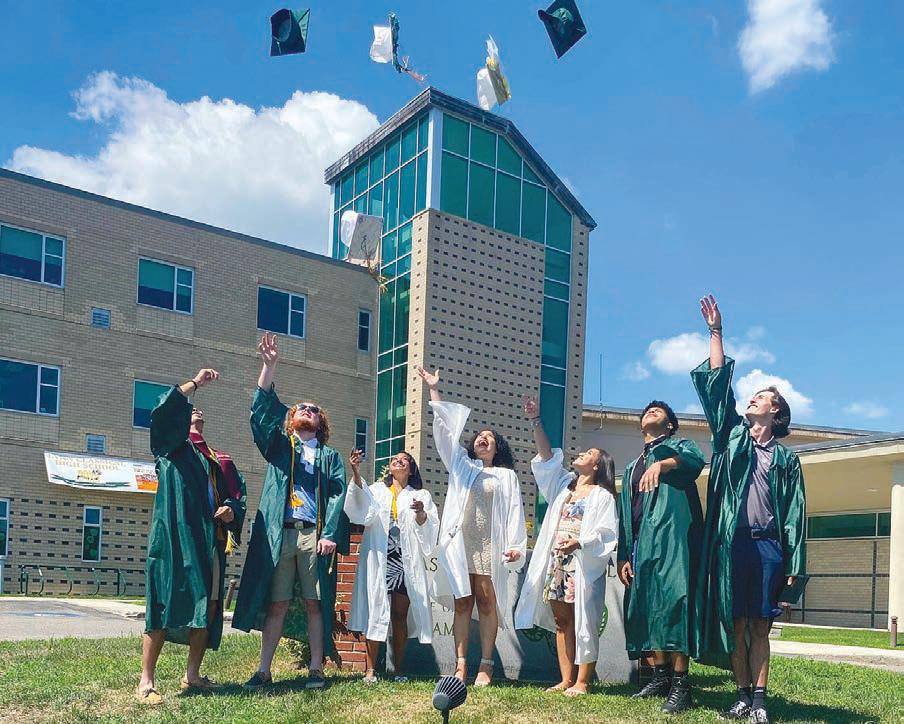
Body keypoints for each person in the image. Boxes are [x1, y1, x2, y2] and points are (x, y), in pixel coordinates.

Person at [692, 295, 806, 724]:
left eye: (761, 397)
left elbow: (796, 513)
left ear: (775, 411)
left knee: (760, 627)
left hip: (769, 546)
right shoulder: (731, 439)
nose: (752, 400)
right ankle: (741, 697)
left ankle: (759, 701)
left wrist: (794, 563)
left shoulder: (787, 459)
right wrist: (716, 332)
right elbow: (719, 385)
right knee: (736, 625)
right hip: (732, 545)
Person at [233, 333, 350, 690]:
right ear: (292, 419)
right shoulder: (281, 448)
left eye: (313, 409)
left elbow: (336, 495)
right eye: (301, 407)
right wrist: (269, 367)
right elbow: (261, 413)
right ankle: (264, 669)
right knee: (277, 603)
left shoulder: (329, 456)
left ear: (321, 422)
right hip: (280, 532)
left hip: (312, 534)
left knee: (315, 602)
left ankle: (316, 667)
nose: (306, 410)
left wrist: (329, 533)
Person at [139, 369, 247, 704]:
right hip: (174, 539)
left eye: (198, 409)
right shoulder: (171, 447)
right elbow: (163, 411)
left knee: (209, 606)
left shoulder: (218, 459)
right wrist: (195, 384)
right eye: (189, 409)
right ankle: (146, 681)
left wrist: (231, 509)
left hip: (209, 542)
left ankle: (193, 675)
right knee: (162, 601)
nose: (195, 410)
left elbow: (237, 495)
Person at [416, 365, 527, 686]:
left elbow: (515, 513)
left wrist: (515, 546)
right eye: (480, 436)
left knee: (487, 600)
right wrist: (434, 390)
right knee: (463, 602)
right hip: (460, 543)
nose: (484, 439)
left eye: (490, 438)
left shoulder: (506, 476)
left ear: (497, 448)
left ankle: (486, 665)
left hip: (490, 545)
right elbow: (445, 433)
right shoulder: (461, 466)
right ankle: (461, 665)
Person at [514, 395, 618, 696]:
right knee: (561, 620)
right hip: (557, 560)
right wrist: (536, 421)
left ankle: (583, 681)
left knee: (584, 620)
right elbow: (547, 459)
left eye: (588, 453)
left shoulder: (602, 496)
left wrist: (580, 542)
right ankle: (565, 679)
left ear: (597, 465)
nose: (580, 454)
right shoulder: (564, 486)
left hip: (582, 563)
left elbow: (607, 532)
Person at [616, 400, 705, 714]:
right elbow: (626, 513)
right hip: (642, 543)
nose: (650, 411)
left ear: (669, 425)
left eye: (659, 411)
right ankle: (660, 676)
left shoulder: (677, 446)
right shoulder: (631, 467)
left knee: (674, 604)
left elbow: (695, 462)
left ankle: (681, 685)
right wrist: (624, 554)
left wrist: (663, 464)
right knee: (650, 607)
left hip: (672, 538)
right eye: (646, 411)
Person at [345, 448, 439, 683]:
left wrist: (421, 514)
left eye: (404, 460)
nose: (398, 461)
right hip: (379, 557)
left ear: (411, 469)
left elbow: (428, 527)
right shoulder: (378, 491)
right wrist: (356, 471)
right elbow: (360, 502)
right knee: (375, 611)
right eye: (395, 459)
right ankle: (370, 670)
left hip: (404, 561)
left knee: (399, 615)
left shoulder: (420, 495)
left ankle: (398, 670)